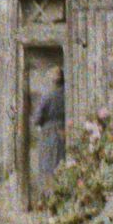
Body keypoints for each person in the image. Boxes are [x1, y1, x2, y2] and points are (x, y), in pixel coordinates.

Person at [32, 68, 67, 206]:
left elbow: (37, 119)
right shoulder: (67, 94)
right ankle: (61, 198)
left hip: (49, 134)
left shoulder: (48, 96)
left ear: (52, 81)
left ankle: (50, 199)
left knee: (48, 166)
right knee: (61, 163)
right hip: (63, 131)